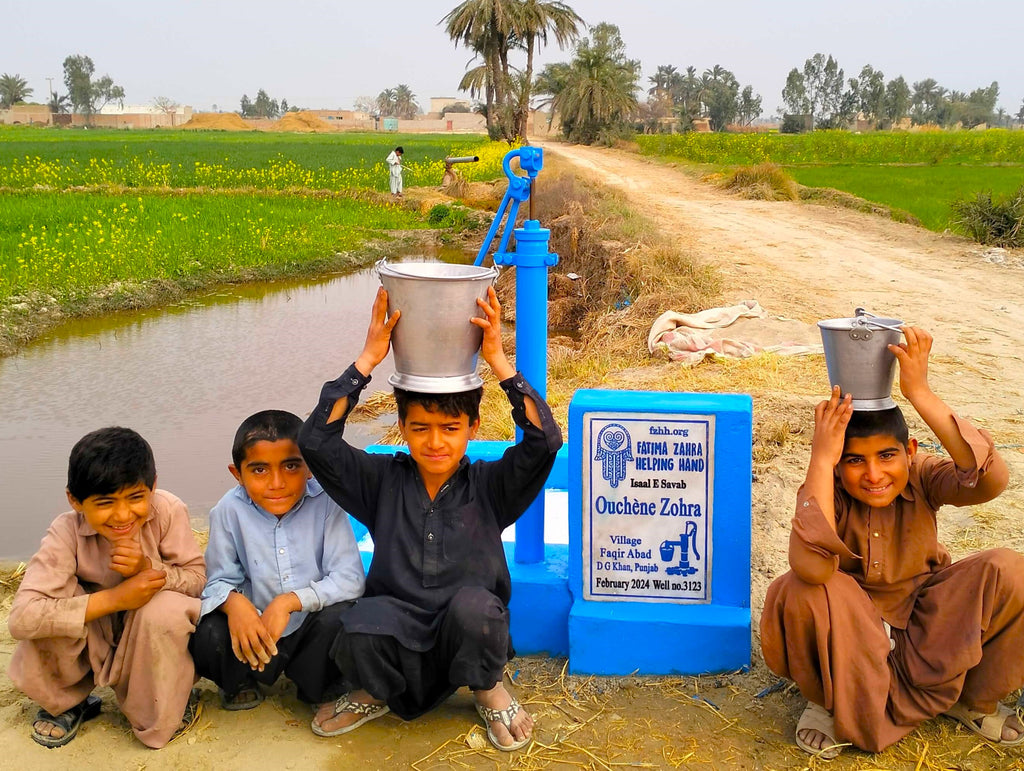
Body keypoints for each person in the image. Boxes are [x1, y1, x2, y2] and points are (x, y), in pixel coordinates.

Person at [298, 286, 562, 750]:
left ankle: (487, 688)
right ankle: (373, 692)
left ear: (473, 429)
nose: (435, 442)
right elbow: (316, 441)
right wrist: (367, 359)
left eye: (450, 428)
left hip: (467, 633)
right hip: (395, 631)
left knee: (477, 610)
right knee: (358, 622)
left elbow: (544, 442)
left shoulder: (491, 485)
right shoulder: (380, 480)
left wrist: (499, 362)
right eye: (420, 428)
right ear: (402, 428)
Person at [761, 326, 1024, 758]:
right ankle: (830, 702)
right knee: (798, 590)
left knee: (1011, 570)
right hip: (854, 636)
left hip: (928, 625)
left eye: (887, 456)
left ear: (910, 450)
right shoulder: (829, 487)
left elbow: (990, 481)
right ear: (838, 465)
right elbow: (812, 568)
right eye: (854, 461)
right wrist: (821, 457)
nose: (874, 475)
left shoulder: (923, 474)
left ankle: (971, 699)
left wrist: (920, 392)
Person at [7, 427, 205, 749]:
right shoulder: (65, 532)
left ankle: (161, 700)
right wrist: (114, 599)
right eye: (105, 503)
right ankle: (66, 702)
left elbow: (198, 579)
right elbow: (22, 618)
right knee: (54, 608)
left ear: (153, 486)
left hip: (147, 634)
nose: (123, 515)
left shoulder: (168, 510)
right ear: (75, 500)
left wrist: (148, 570)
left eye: (136, 498)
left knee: (166, 609)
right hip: (92, 639)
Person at [190, 410, 365, 727]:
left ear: (309, 466)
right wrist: (234, 604)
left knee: (343, 617)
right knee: (206, 631)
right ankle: (240, 682)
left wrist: (290, 601)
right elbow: (216, 582)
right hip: (254, 635)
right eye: (259, 470)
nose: (277, 483)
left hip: (308, 630)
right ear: (237, 474)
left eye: (291, 466)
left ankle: (317, 685)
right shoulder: (228, 511)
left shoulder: (327, 503)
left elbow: (350, 579)